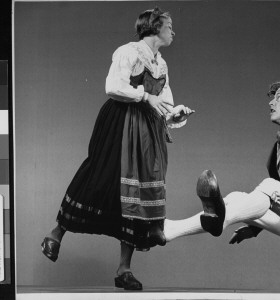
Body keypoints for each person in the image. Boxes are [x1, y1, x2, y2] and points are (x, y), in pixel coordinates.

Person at [41, 7, 194, 290]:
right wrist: (146, 96)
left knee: (138, 189)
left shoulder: (161, 64)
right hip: (122, 123)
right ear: (154, 27)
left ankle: (124, 268)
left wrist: (176, 115)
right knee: (101, 178)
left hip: (148, 131)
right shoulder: (129, 52)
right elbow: (113, 86)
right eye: (169, 26)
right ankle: (55, 233)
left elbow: (165, 105)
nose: (173, 31)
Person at [163, 80, 280, 254]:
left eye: (278, 98)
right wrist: (254, 226)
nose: (271, 102)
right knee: (235, 197)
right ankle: (170, 230)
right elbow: (277, 200)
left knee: (269, 185)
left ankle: (222, 220)